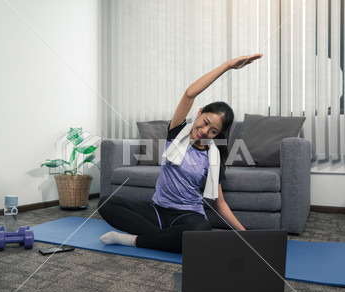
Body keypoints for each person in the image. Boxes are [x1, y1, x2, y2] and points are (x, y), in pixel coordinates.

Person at [98, 54, 263, 253]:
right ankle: (168, 239)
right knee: (106, 203)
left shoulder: (213, 157)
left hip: (187, 216)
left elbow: (218, 203)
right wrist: (227, 66)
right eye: (205, 122)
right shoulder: (177, 132)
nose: (204, 131)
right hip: (157, 212)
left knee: (201, 231)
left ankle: (132, 240)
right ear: (200, 112)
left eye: (213, 131)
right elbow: (189, 94)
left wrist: (246, 234)